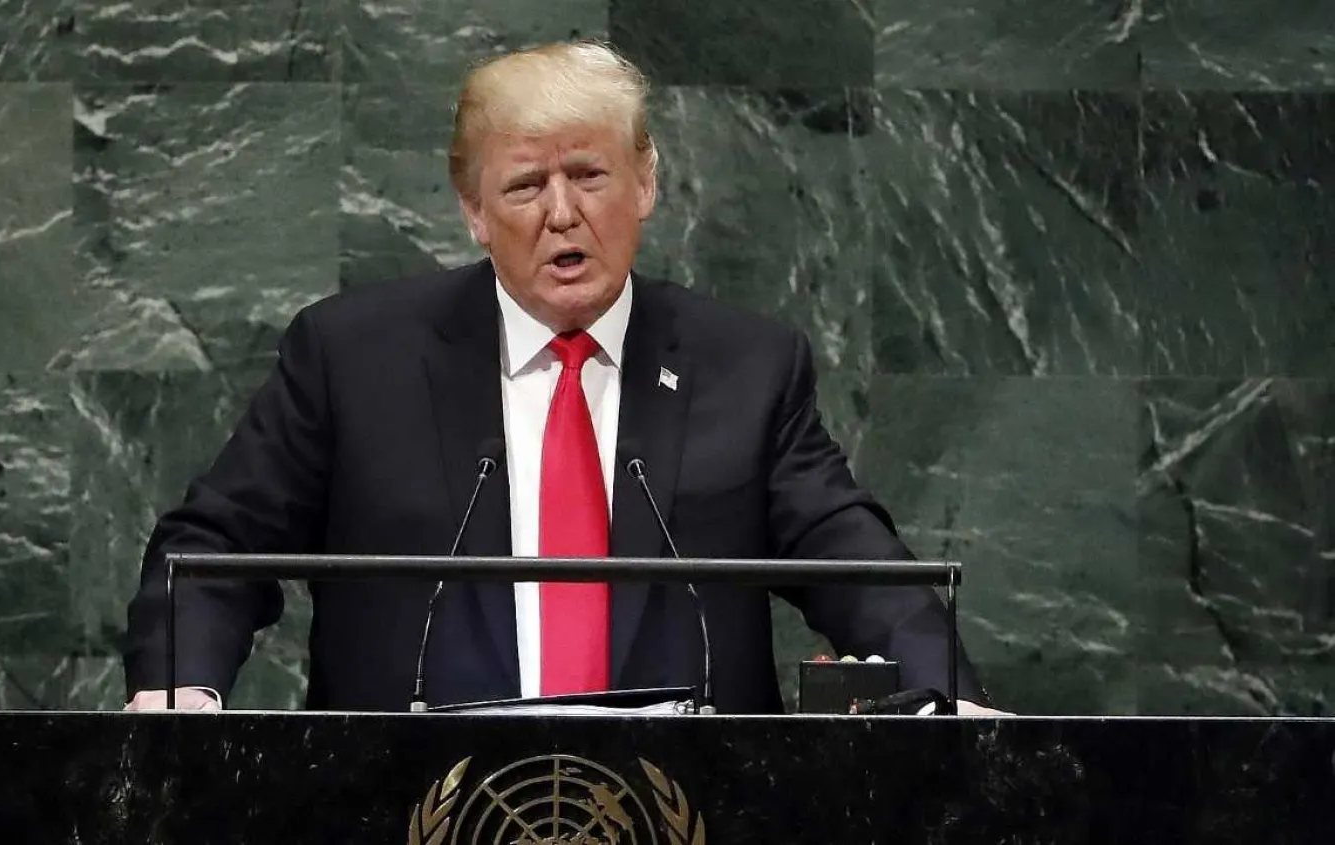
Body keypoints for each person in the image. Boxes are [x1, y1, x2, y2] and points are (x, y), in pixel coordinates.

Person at [122, 41, 998, 714]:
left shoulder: (747, 367)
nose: (562, 213)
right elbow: (214, 547)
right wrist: (179, 689)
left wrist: (946, 699)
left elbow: (857, 563)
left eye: (588, 175)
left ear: (646, 182)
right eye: (524, 186)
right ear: (473, 210)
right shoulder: (354, 359)